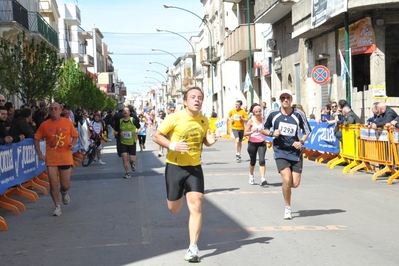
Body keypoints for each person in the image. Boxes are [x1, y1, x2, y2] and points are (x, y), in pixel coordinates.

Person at [153, 87, 218, 262]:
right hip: (175, 167)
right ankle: (178, 195)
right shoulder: (174, 118)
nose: (197, 100)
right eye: (193, 97)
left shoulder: (204, 121)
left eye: (200, 98)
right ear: (185, 101)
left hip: (194, 168)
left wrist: (209, 142)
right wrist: (173, 146)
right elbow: (156, 136)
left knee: (196, 205)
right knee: (173, 209)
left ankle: (193, 248)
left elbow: (204, 139)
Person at [262, 89, 311, 220]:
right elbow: (263, 129)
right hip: (280, 151)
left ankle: (286, 187)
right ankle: (287, 208)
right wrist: (272, 134)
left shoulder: (298, 114)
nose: (285, 100)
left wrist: (301, 142)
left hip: (295, 152)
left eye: (287, 97)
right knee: (287, 179)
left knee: (294, 184)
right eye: (282, 98)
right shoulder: (273, 113)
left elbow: (307, 131)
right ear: (279, 100)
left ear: (291, 99)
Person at [34, 102, 78, 216]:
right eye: (51, 109)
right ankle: (57, 206)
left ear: (60, 110)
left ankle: (64, 191)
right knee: (53, 183)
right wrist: (39, 152)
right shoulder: (44, 125)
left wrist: (73, 144)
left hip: (65, 158)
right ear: (49, 111)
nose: (53, 110)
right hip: (51, 159)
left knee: (65, 184)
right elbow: (36, 138)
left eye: (55, 109)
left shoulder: (67, 122)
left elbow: (75, 136)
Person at [114, 106, 141, 179]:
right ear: (122, 112)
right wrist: (119, 133)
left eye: (127, 111)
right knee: (124, 157)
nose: (125, 112)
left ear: (129, 112)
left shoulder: (133, 120)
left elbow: (139, 128)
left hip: (132, 142)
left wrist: (136, 133)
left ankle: (132, 163)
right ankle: (127, 173)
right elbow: (115, 131)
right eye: (124, 111)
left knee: (132, 159)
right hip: (123, 142)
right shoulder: (120, 121)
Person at [244, 105, 267, 186]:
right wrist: (251, 132)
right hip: (252, 143)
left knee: (262, 160)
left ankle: (262, 178)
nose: (258, 113)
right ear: (253, 112)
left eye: (259, 111)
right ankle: (251, 175)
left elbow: (267, 129)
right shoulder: (251, 121)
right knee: (253, 161)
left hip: (262, 143)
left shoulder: (264, 120)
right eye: (256, 112)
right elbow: (245, 133)